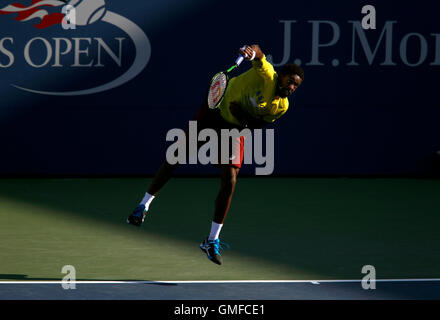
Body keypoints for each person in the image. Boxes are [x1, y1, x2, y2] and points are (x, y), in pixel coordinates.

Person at [126, 44, 304, 265]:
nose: (292, 87)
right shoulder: (267, 74)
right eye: (291, 81)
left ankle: (211, 240)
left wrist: (243, 120)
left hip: (234, 128)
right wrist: (251, 51)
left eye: (297, 85)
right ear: (282, 76)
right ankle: (144, 205)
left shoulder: (282, 106)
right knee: (176, 157)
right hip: (214, 111)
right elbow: (258, 53)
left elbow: (257, 126)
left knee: (230, 182)